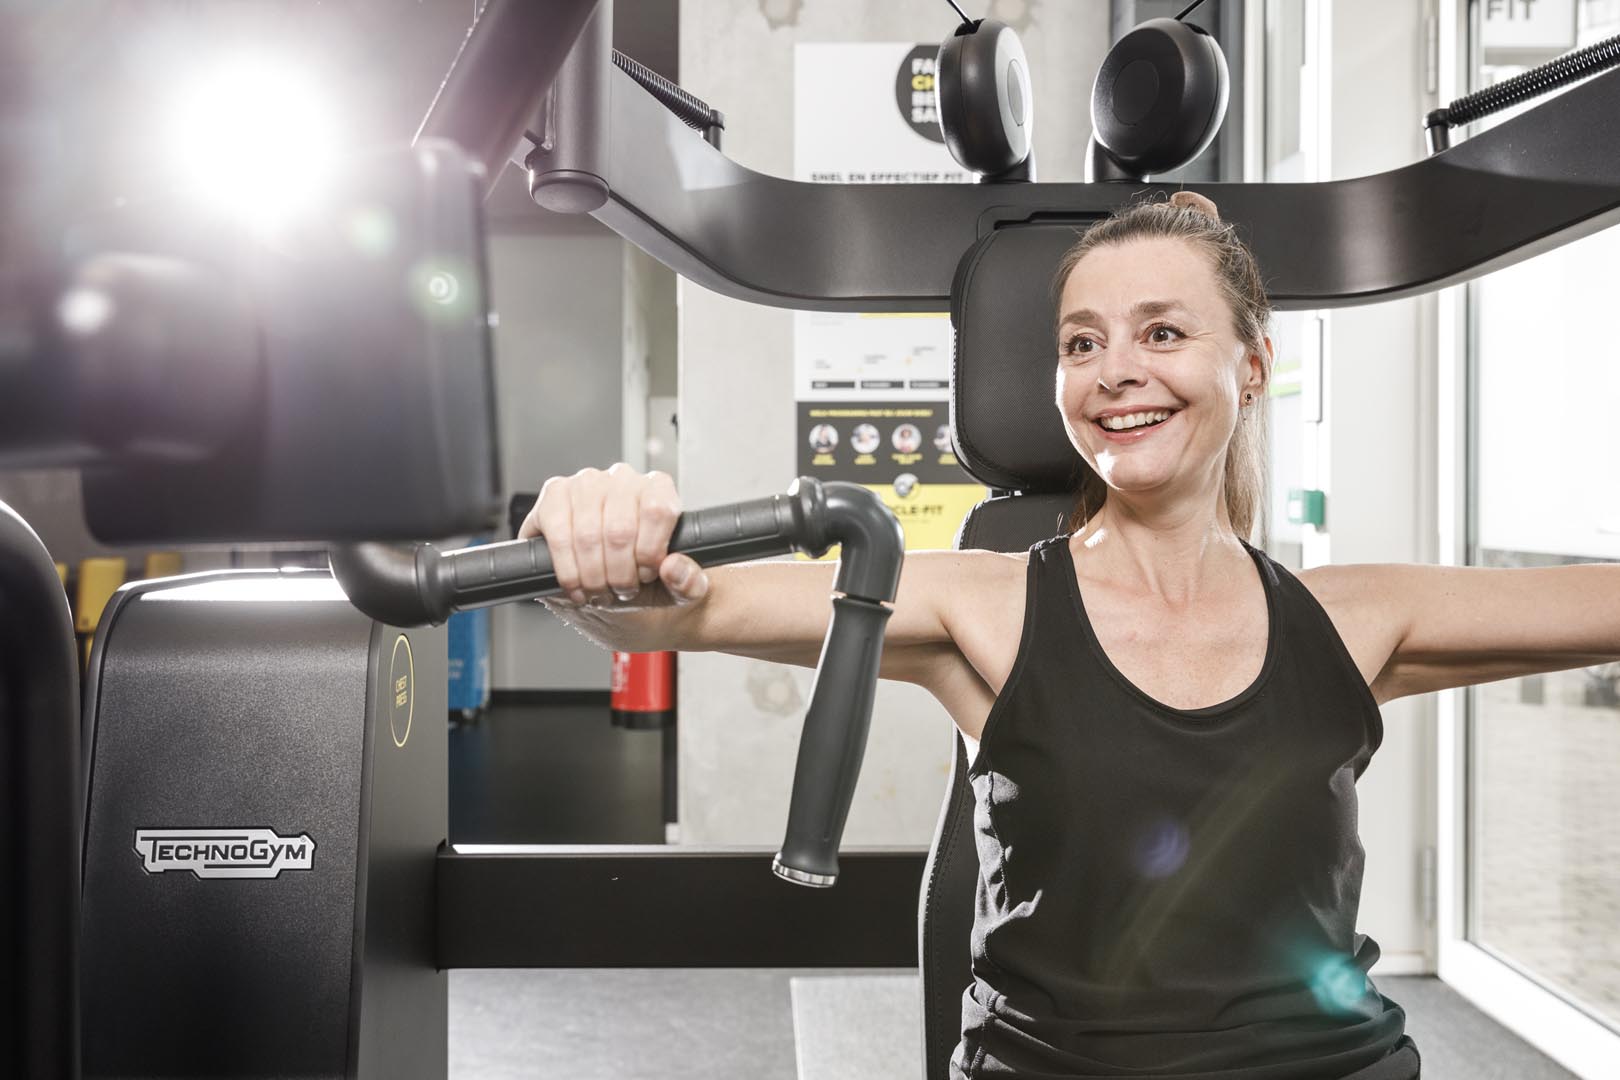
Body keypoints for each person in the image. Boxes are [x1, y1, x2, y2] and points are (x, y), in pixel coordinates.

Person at [521, 192, 1619, 1078]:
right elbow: (680, 607)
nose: (1115, 371)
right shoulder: (979, 602)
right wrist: (588, 533)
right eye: (1080, 342)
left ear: (1252, 366)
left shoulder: (1353, 616)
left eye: (1163, 332)